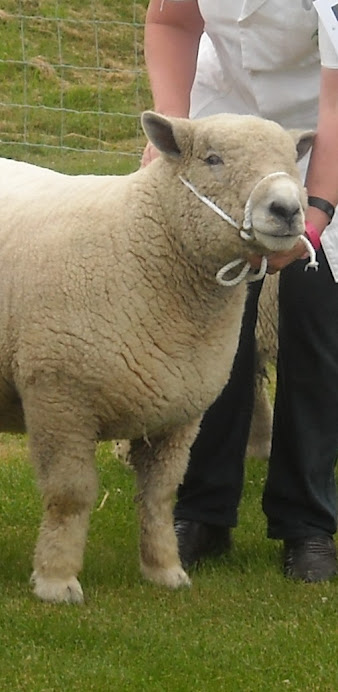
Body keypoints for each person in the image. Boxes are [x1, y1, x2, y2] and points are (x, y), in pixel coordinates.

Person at [142, 0, 338, 582]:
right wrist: (174, 130)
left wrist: (318, 210)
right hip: (224, 133)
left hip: (320, 140)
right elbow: (171, 20)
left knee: (313, 319)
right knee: (212, 322)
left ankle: (307, 524)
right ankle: (202, 509)